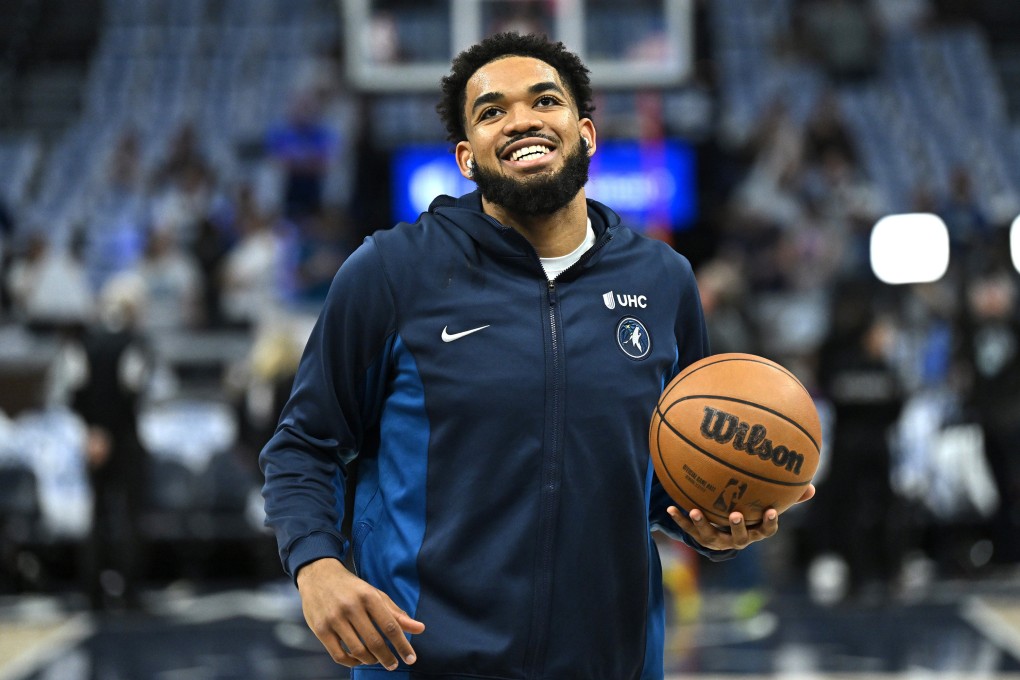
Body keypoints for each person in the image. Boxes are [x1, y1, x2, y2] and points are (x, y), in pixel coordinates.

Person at [260, 32, 814, 679]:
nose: (521, 119)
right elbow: (304, 445)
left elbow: (662, 473)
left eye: (544, 101)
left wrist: (711, 524)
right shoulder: (391, 271)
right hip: (423, 664)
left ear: (585, 133)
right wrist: (316, 565)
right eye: (492, 111)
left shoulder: (664, 281)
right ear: (467, 158)